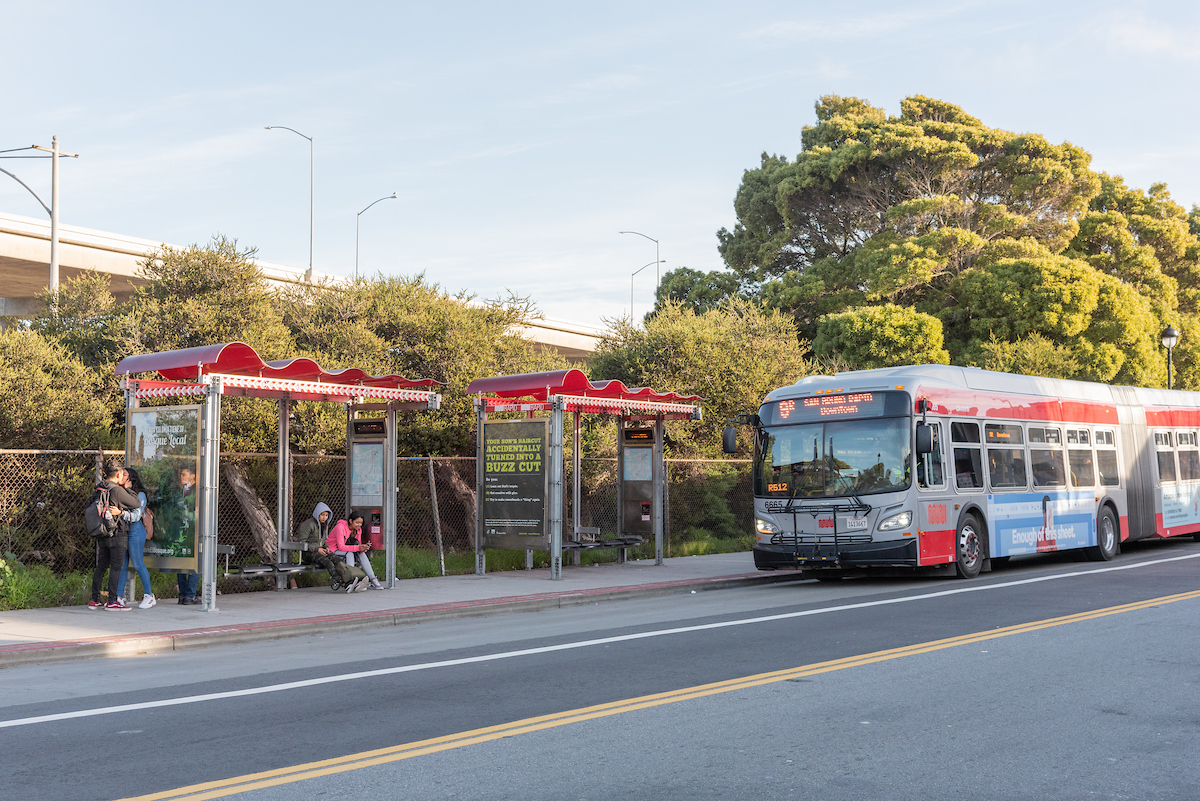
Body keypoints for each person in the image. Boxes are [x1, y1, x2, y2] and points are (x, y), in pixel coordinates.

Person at [89, 460, 142, 611]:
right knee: (116, 567)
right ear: (119, 474)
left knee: (101, 566)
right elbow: (136, 503)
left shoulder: (99, 488)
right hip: (117, 533)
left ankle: (95, 600)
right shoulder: (118, 490)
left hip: (102, 532)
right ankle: (112, 601)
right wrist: (128, 487)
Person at [116, 467, 157, 609]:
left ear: (131, 478)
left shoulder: (140, 495)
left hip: (135, 532)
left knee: (138, 563)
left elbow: (137, 515)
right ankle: (119, 597)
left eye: (124, 475)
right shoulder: (121, 492)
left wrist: (120, 513)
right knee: (122, 565)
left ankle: (149, 596)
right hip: (124, 531)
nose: (120, 476)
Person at [326, 509, 383, 592]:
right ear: (350, 521)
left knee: (361, 554)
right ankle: (351, 580)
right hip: (332, 550)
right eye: (357, 522)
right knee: (350, 554)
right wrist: (358, 548)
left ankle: (373, 579)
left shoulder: (358, 530)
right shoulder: (340, 527)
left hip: (346, 550)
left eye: (360, 523)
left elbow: (357, 545)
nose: (359, 525)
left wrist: (363, 548)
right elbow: (341, 547)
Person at [290, 502, 333, 589]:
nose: (324, 517)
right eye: (322, 515)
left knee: (335, 558)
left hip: (320, 551)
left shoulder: (324, 525)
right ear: (317, 514)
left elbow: (323, 540)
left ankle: (348, 580)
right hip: (308, 553)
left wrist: (326, 547)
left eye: (326, 515)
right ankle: (340, 580)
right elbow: (302, 543)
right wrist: (317, 549)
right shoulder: (308, 524)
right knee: (328, 562)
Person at [176, 465, 201, 605]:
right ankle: (184, 594)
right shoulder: (182, 490)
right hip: (182, 529)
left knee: (194, 561)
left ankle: (189, 594)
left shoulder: (196, 490)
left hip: (193, 528)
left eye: (184, 474)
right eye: (181, 474)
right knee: (181, 561)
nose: (182, 477)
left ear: (193, 476)